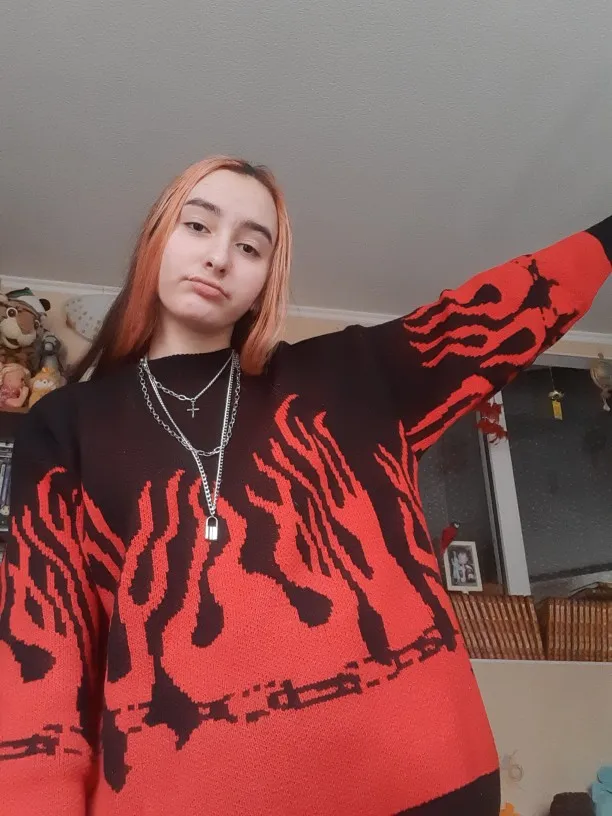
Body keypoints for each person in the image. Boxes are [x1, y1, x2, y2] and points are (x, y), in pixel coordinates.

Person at [0, 155, 609, 816]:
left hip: (426, 783)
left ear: (267, 278)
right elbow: (41, 651)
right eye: (197, 226)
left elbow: (492, 312)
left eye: (250, 246)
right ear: (156, 237)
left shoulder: (348, 375)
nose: (219, 257)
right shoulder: (63, 428)